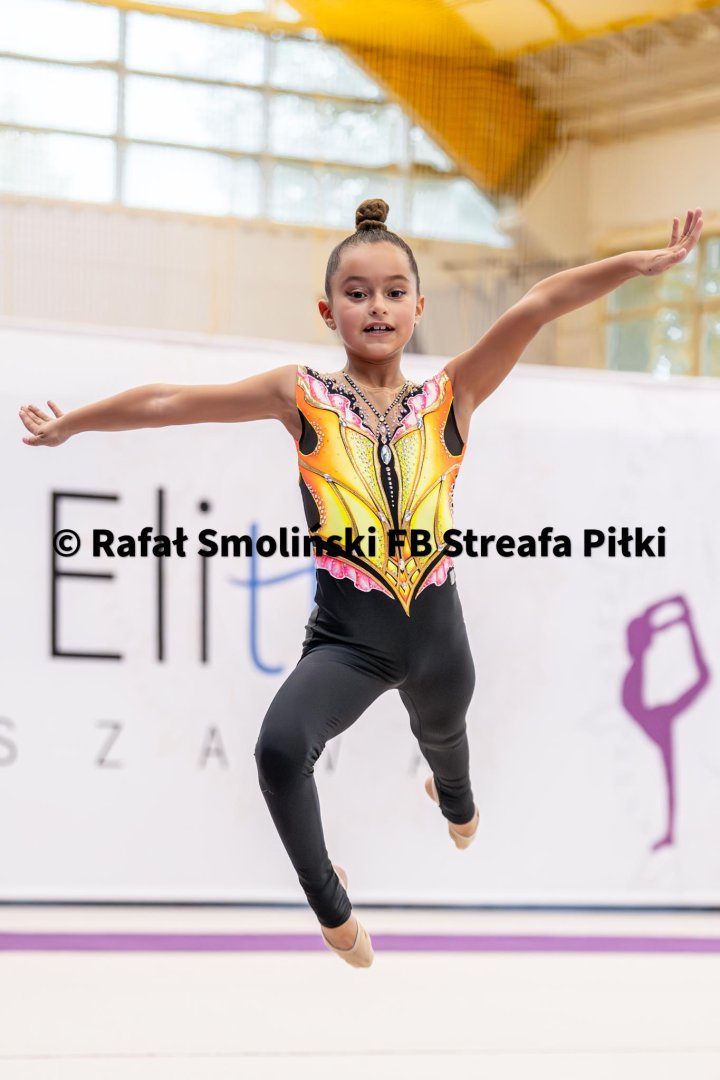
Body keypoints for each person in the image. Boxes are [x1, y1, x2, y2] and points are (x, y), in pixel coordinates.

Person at [19, 198, 703, 969]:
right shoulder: (301, 396)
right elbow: (173, 402)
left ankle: (454, 797)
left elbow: (540, 304)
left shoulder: (453, 394)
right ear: (328, 310)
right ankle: (329, 899)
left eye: (392, 292)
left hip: (440, 648)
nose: (376, 306)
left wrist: (641, 264)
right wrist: (74, 422)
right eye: (356, 293)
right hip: (350, 644)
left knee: (452, 770)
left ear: (418, 307)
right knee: (280, 751)